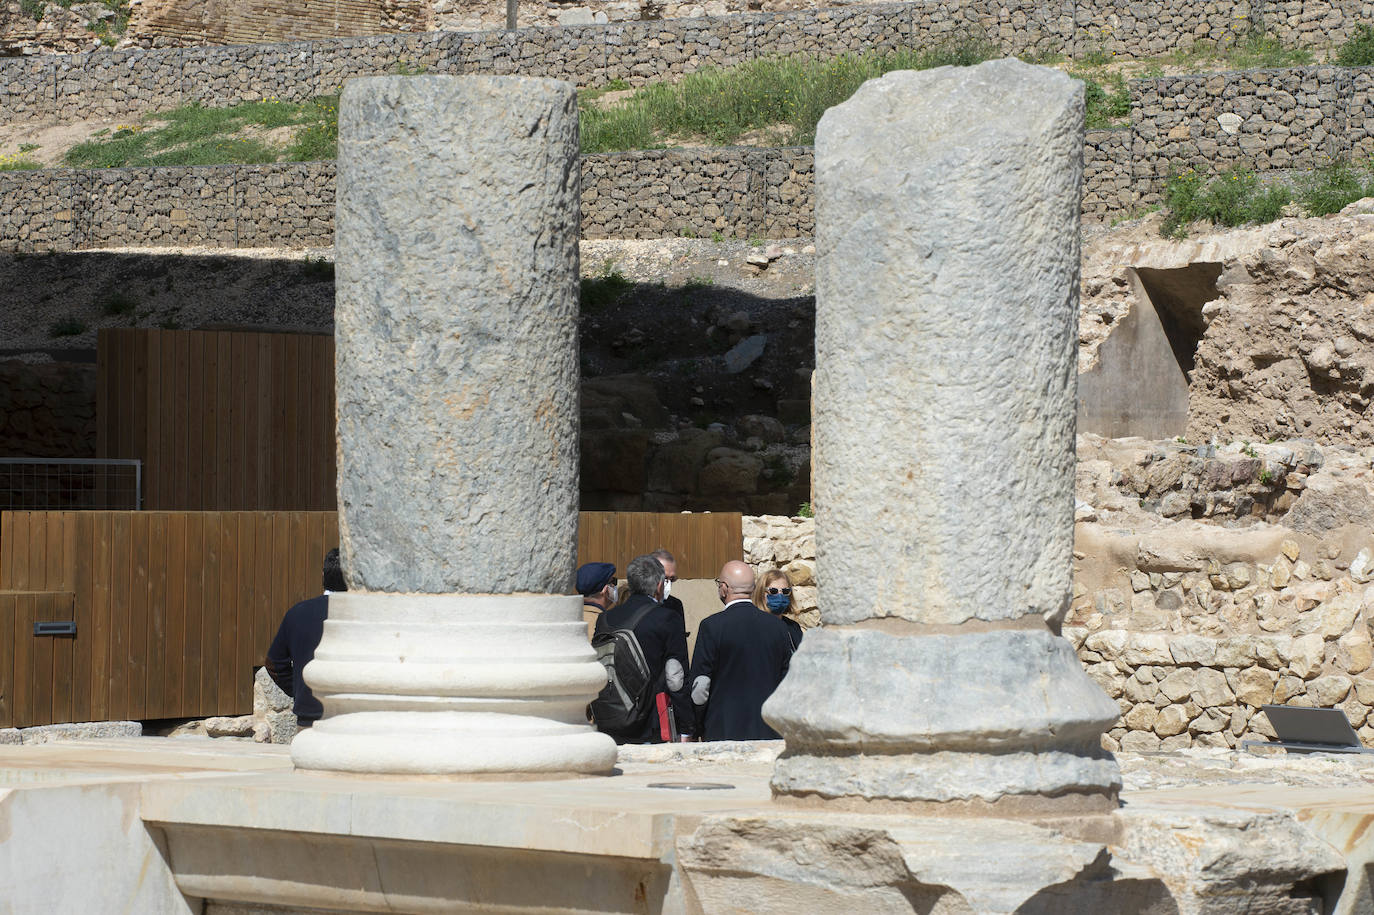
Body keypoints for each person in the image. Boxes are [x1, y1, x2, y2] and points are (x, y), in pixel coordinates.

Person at [688, 560, 793, 741]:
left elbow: (700, 686)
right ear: (752, 589)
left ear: (724, 587)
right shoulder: (778, 627)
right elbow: (787, 680)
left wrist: (695, 727)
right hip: (768, 730)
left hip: (722, 728)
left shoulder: (712, 626)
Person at [593, 554, 693, 743]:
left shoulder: (605, 618)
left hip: (609, 719)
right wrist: (687, 727)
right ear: (658, 585)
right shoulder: (667, 618)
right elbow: (676, 678)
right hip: (650, 723)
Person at [265, 548, 346, 730]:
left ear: (323, 575)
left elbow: (273, 662)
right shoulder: (360, 617)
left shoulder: (297, 613)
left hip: (309, 716)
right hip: (350, 717)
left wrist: (299, 690)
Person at [754, 568, 803, 651]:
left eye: (785, 591)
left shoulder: (793, 627)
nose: (780, 596)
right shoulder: (754, 626)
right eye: (773, 591)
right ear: (761, 593)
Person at [577, 561, 617, 639]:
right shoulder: (607, 624)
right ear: (604, 590)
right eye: (613, 581)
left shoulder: (570, 618)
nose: (615, 585)